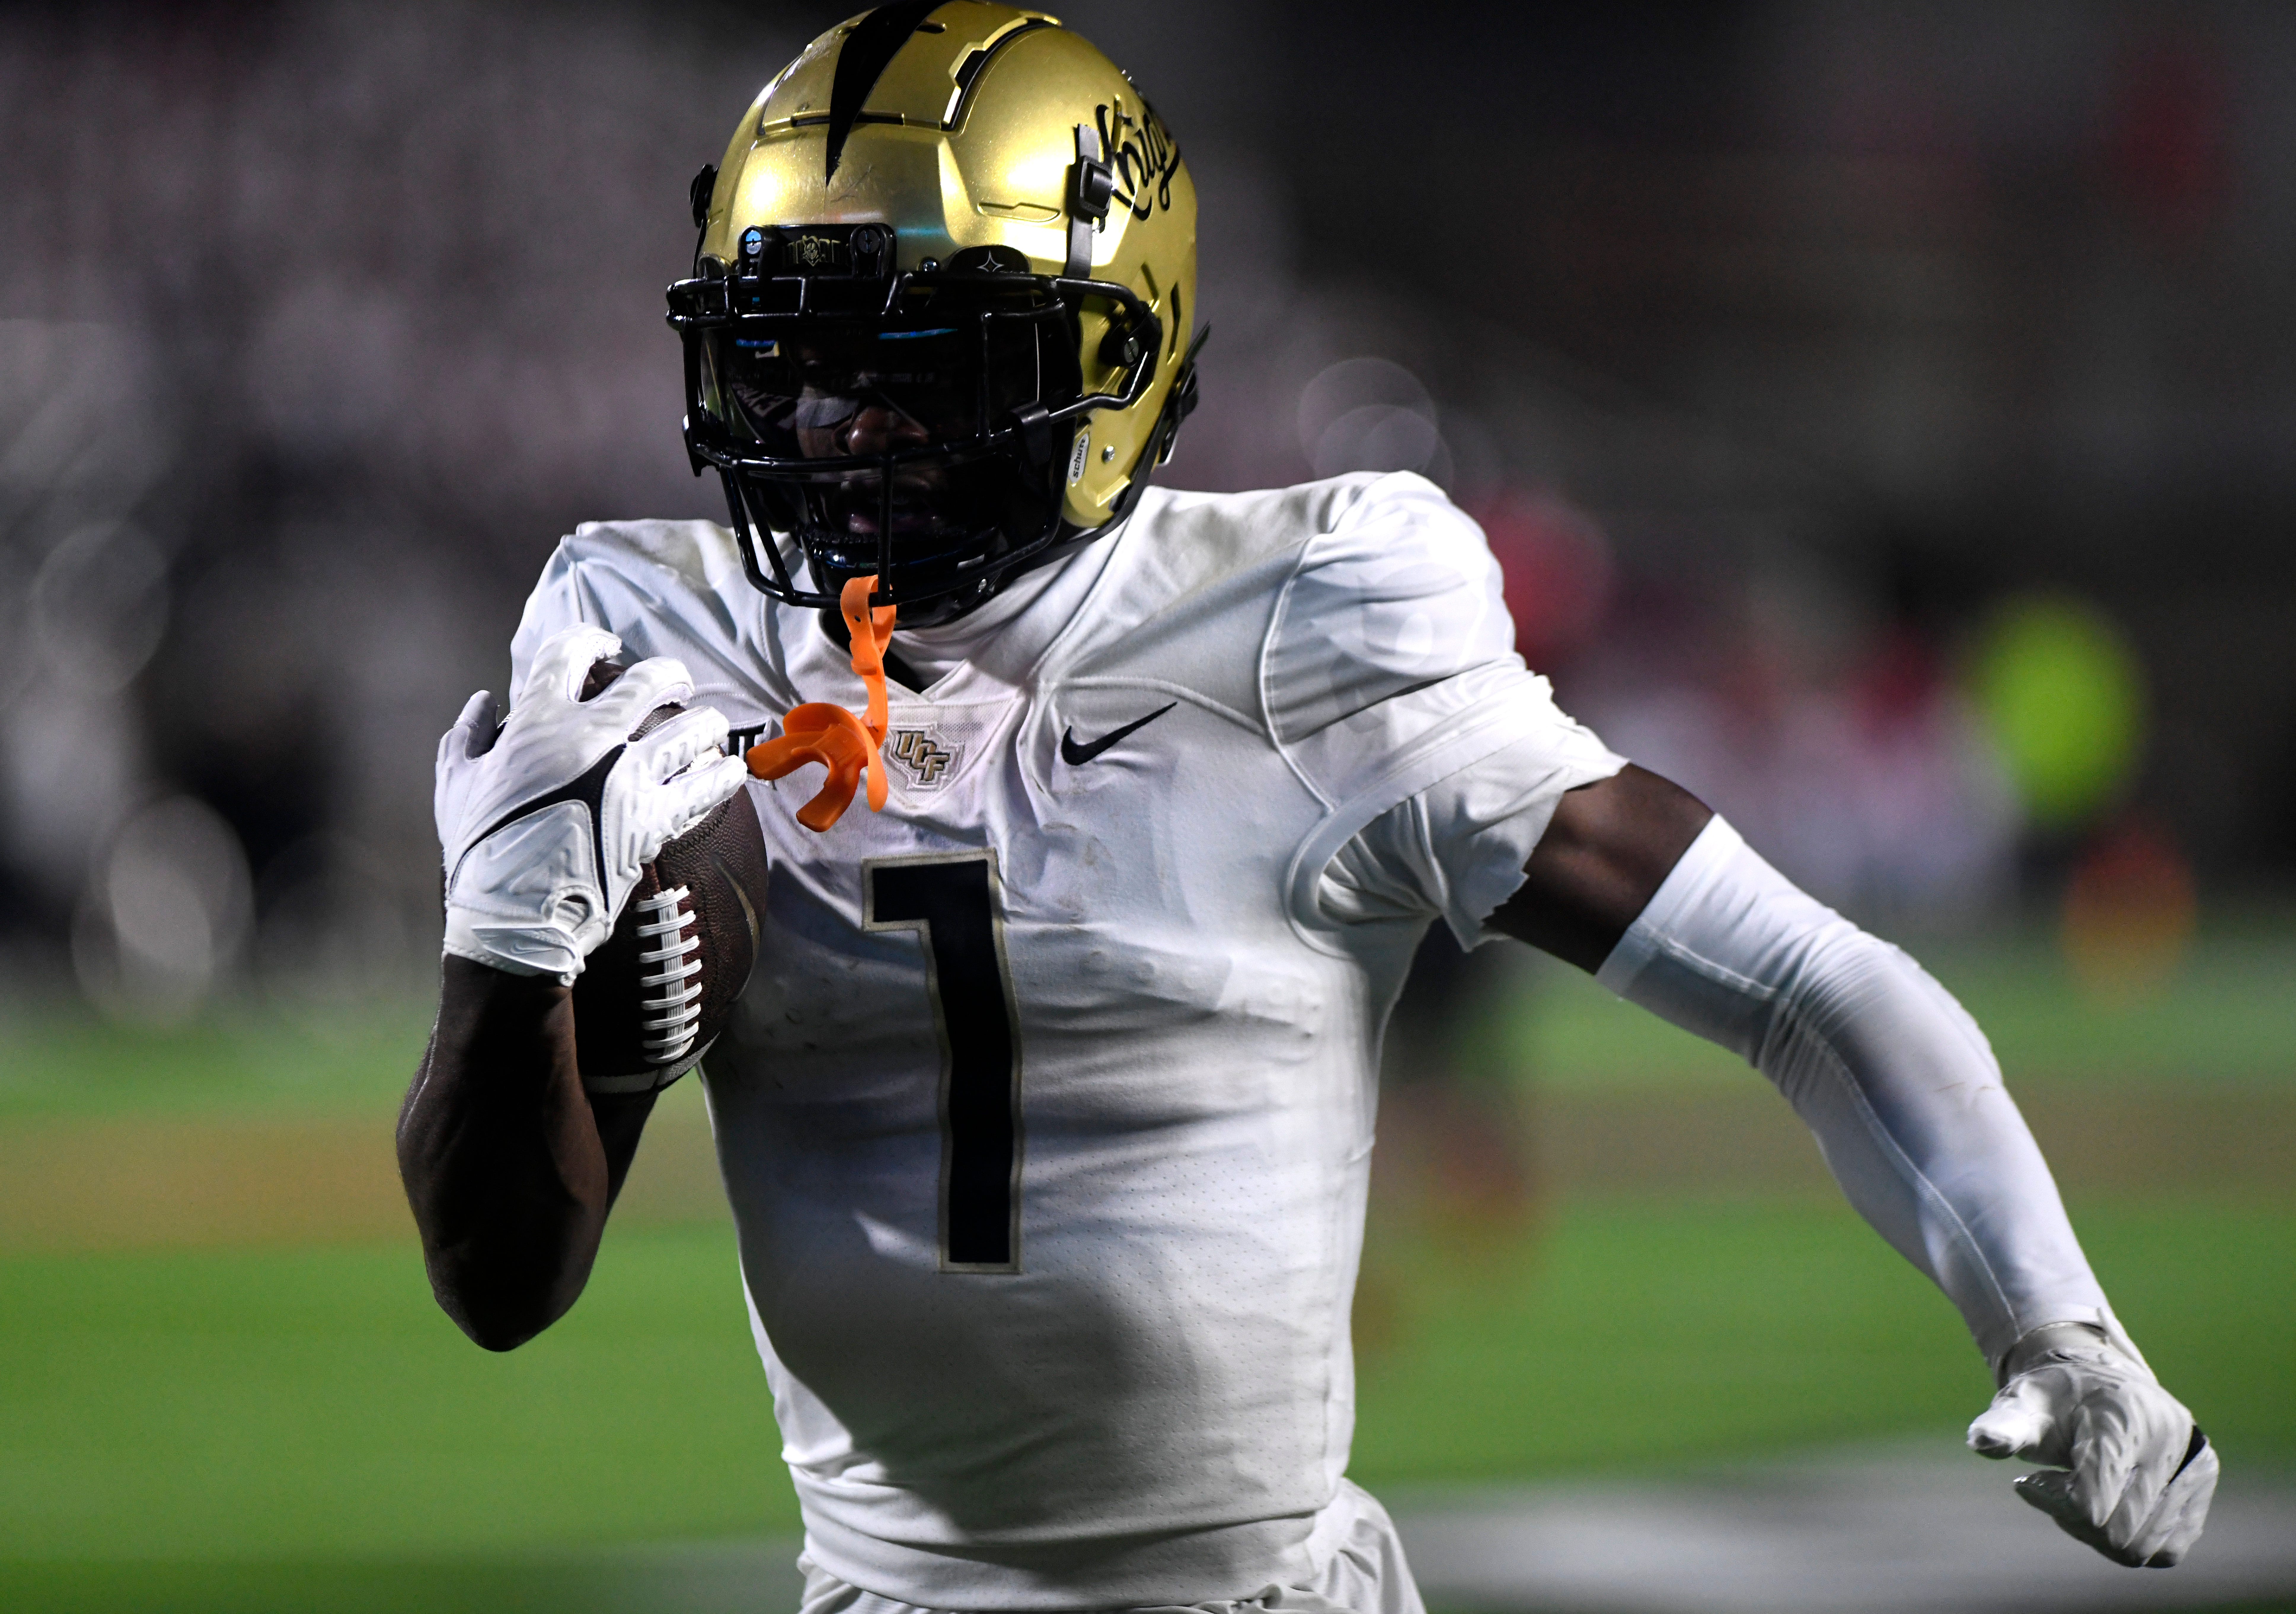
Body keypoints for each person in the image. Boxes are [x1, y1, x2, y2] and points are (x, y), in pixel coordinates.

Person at [396, 7, 2218, 1611]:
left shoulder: (1308, 627)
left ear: (1114, 360)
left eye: (917, 362)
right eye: (788, 358)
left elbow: (1799, 979)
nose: (839, 426)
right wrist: (505, 945)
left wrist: (2049, 1312)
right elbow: (498, 1279)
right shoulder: (657, 639)